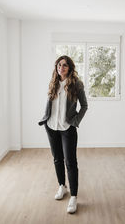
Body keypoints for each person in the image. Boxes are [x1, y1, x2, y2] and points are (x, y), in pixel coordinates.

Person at [38, 55, 88, 214]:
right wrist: (45, 120)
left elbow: (84, 106)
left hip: (67, 128)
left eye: (65, 65)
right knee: (57, 159)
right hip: (51, 126)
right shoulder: (53, 82)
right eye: (59, 65)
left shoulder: (76, 84)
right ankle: (62, 186)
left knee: (70, 162)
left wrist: (75, 121)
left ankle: (73, 196)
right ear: (56, 67)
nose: (62, 67)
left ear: (70, 68)